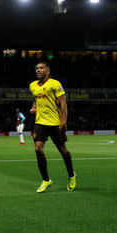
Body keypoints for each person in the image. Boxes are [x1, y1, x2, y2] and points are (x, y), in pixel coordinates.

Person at [29, 61, 76, 193]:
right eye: (36, 68)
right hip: (40, 123)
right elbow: (36, 99)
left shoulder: (55, 84)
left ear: (47, 71)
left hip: (55, 123)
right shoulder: (32, 85)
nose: (38, 70)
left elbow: (63, 103)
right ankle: (46, 180)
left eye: (41, 68)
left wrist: (63, 121)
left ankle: (71, 175)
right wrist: (34, 108)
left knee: (63, 151)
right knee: (38, 149)